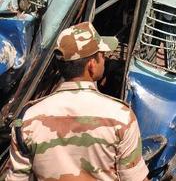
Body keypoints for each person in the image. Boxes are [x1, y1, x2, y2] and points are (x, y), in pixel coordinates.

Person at [4, 22, 149, 181]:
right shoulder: (121, 118)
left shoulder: (28, 119)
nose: (105, 59)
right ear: (91, 65)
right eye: (102, 55)